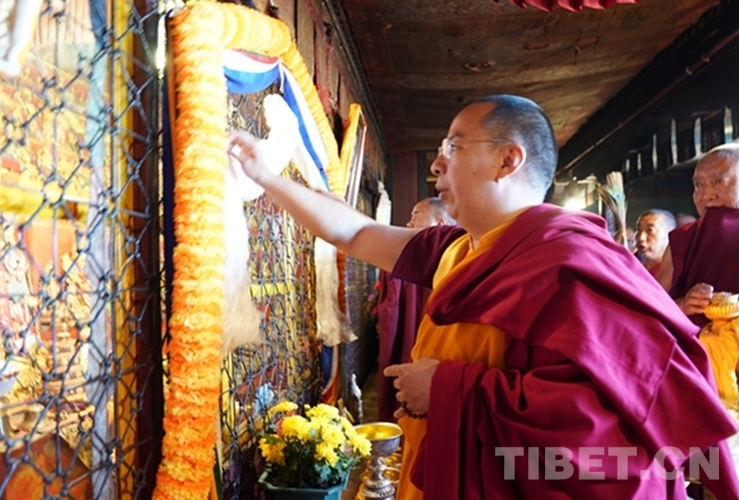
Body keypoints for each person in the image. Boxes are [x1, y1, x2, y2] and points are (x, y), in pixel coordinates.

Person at [229, 95, 739, 499]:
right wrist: (265, 176)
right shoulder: (457, 249)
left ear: (507, 159)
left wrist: (449, 388)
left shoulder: (569, 260)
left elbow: (605, 424)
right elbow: (355, 232)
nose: (437, 165)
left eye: (453, 147)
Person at [376, 198, 453, 422]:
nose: (409, 223)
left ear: (440, 223)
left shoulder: (462, 255)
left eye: (416, 215)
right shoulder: (408, 252)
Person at [658, 144, 739, 326]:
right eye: (699, 185)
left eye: (719, 181)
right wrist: (682, 305)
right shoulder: (682, 239)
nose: (707, 194)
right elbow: (652, 305)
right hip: (691, 342)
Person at [635, 208, 676, 278]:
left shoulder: (675, 273)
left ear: (669, 235)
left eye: (650, 230)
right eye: (638, 229)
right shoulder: (630, 267)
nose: (641, 238)